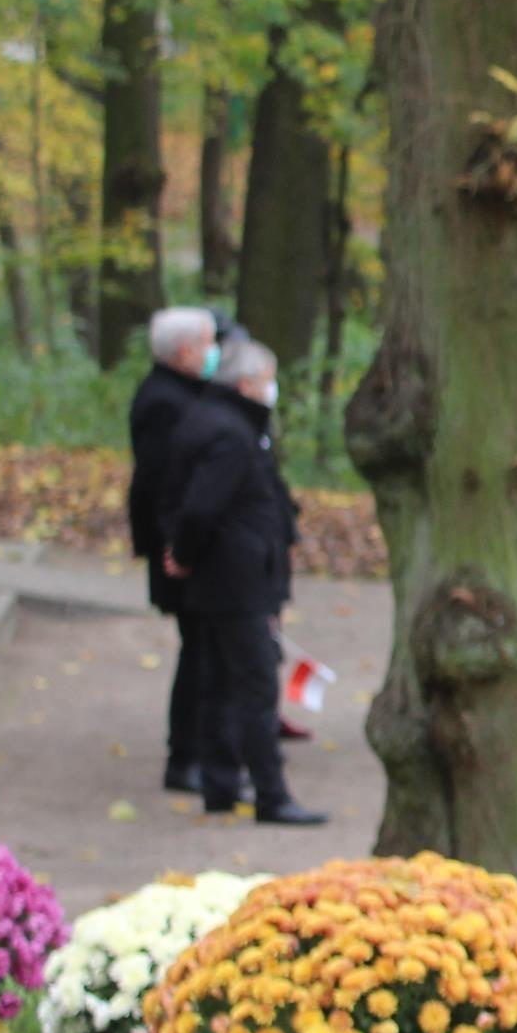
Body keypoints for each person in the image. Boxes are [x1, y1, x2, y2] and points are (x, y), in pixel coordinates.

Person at [160, 341, 326, 827]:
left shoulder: (216, 421)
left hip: (229, 575)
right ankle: (270, 793)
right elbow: (202, 506)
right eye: (268, 377)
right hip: (237, 579)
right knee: (254, 687)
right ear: (247, 383)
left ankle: (221, 784)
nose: (272, 387)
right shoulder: (231, 432)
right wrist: (185, 554)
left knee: (218, 683)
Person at [129, 305, 231, 798]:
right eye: (209, 344)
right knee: (199, 654)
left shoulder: (183, 394)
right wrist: (178, 546)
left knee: (206, 651)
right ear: (186, 351)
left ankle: (198, 751)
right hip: (181, 551)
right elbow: (160, 484)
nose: (216, 353)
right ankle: (185, 756)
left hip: (189, 547)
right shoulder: (164, 404)